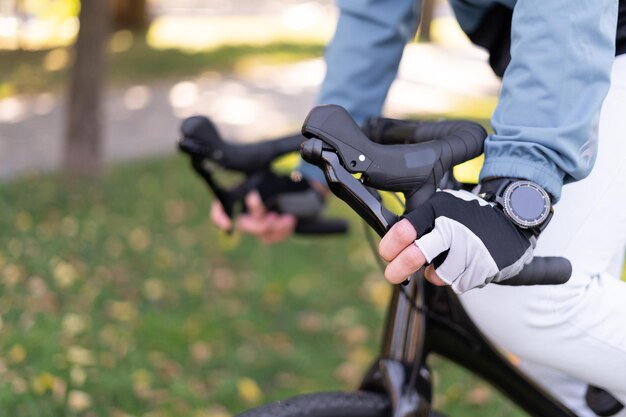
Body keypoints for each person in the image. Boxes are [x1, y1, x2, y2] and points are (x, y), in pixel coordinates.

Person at [211, 0, 626, 414]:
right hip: (574, 62)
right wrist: (323, 166)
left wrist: (521, 191)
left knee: (519, 296)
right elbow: (376, 7)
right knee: (565, 361)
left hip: (597, 43)